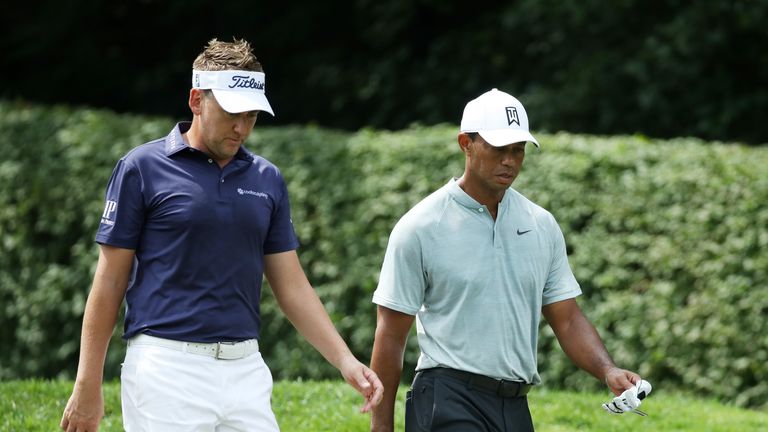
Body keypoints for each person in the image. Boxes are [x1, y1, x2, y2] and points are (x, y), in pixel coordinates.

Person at [60, 38, 383, 432]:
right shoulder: (141, 168)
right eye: (232, 112)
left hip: (246, 369)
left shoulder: (267, 179)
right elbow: (109, 282)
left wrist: (346, 361)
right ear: (197, 100)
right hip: (165, 368)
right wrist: (87, 384)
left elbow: (292, 286)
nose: (242, 127)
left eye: (252, 116)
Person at [369, 89, 645, 431]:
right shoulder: (421, 226)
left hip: (514, 406)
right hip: (447, 397)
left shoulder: (540, 224)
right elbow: (392, 335)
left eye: (518, 150)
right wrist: (381, 427)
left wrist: (608, 370)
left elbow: (568, 319)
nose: (510, 161)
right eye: (499, 149)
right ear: (466, 144)